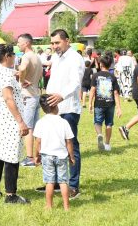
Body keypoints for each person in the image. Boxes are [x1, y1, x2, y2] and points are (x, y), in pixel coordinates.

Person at [43, 29, 84, 199]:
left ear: (67, 41)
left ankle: (73, 185)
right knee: (53, 146)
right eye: (52, 43)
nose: (54, 46)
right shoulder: (56, 57)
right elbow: (54, 80)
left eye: (57, 42)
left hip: (68, 109)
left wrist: (61, 95)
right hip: (54, 109)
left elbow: (75, 82)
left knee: (71, 146)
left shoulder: (75, 58)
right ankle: (55, 182)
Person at [0, 44, 29, 204]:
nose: (15, 57)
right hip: (8, 118)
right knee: (12, 154)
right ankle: (11, 194)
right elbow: (8, 98)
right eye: (13, 55)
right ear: (7, 56)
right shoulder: (6, 74)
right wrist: (20, 121)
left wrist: (19, 84)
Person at [33, 95, 75, 211]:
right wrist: (71, 156)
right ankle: (66, 206)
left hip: (47, 156)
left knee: (49, 182)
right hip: (62, 156)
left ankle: (49, 205)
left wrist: (36, 156)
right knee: (63, 182)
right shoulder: (64, 122)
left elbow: (38, 142)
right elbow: (69, 142)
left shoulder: (40, 122)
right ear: (56, 106)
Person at [16, 33, 43, 168]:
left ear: (26, 43)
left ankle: (30, 158)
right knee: (37, 128)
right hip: (36, 94)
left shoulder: (26, 56)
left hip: (28, 95)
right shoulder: (36, 56)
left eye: (19, 42)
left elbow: (22, 68)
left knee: (28, 127)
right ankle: (38, 156)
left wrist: (21, 81)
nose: (17, 44)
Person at [89, 53, 122, 151]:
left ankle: (99, 134)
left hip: (98, 103)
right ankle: (107, 144)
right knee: (109, 124)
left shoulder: (95, 75)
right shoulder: (113, 77)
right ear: (110, 65)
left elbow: (92, 90)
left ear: (101, 64)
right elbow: (116, 93)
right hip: (110, 103)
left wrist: (90, 103)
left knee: (97, 122)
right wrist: (119, 107)